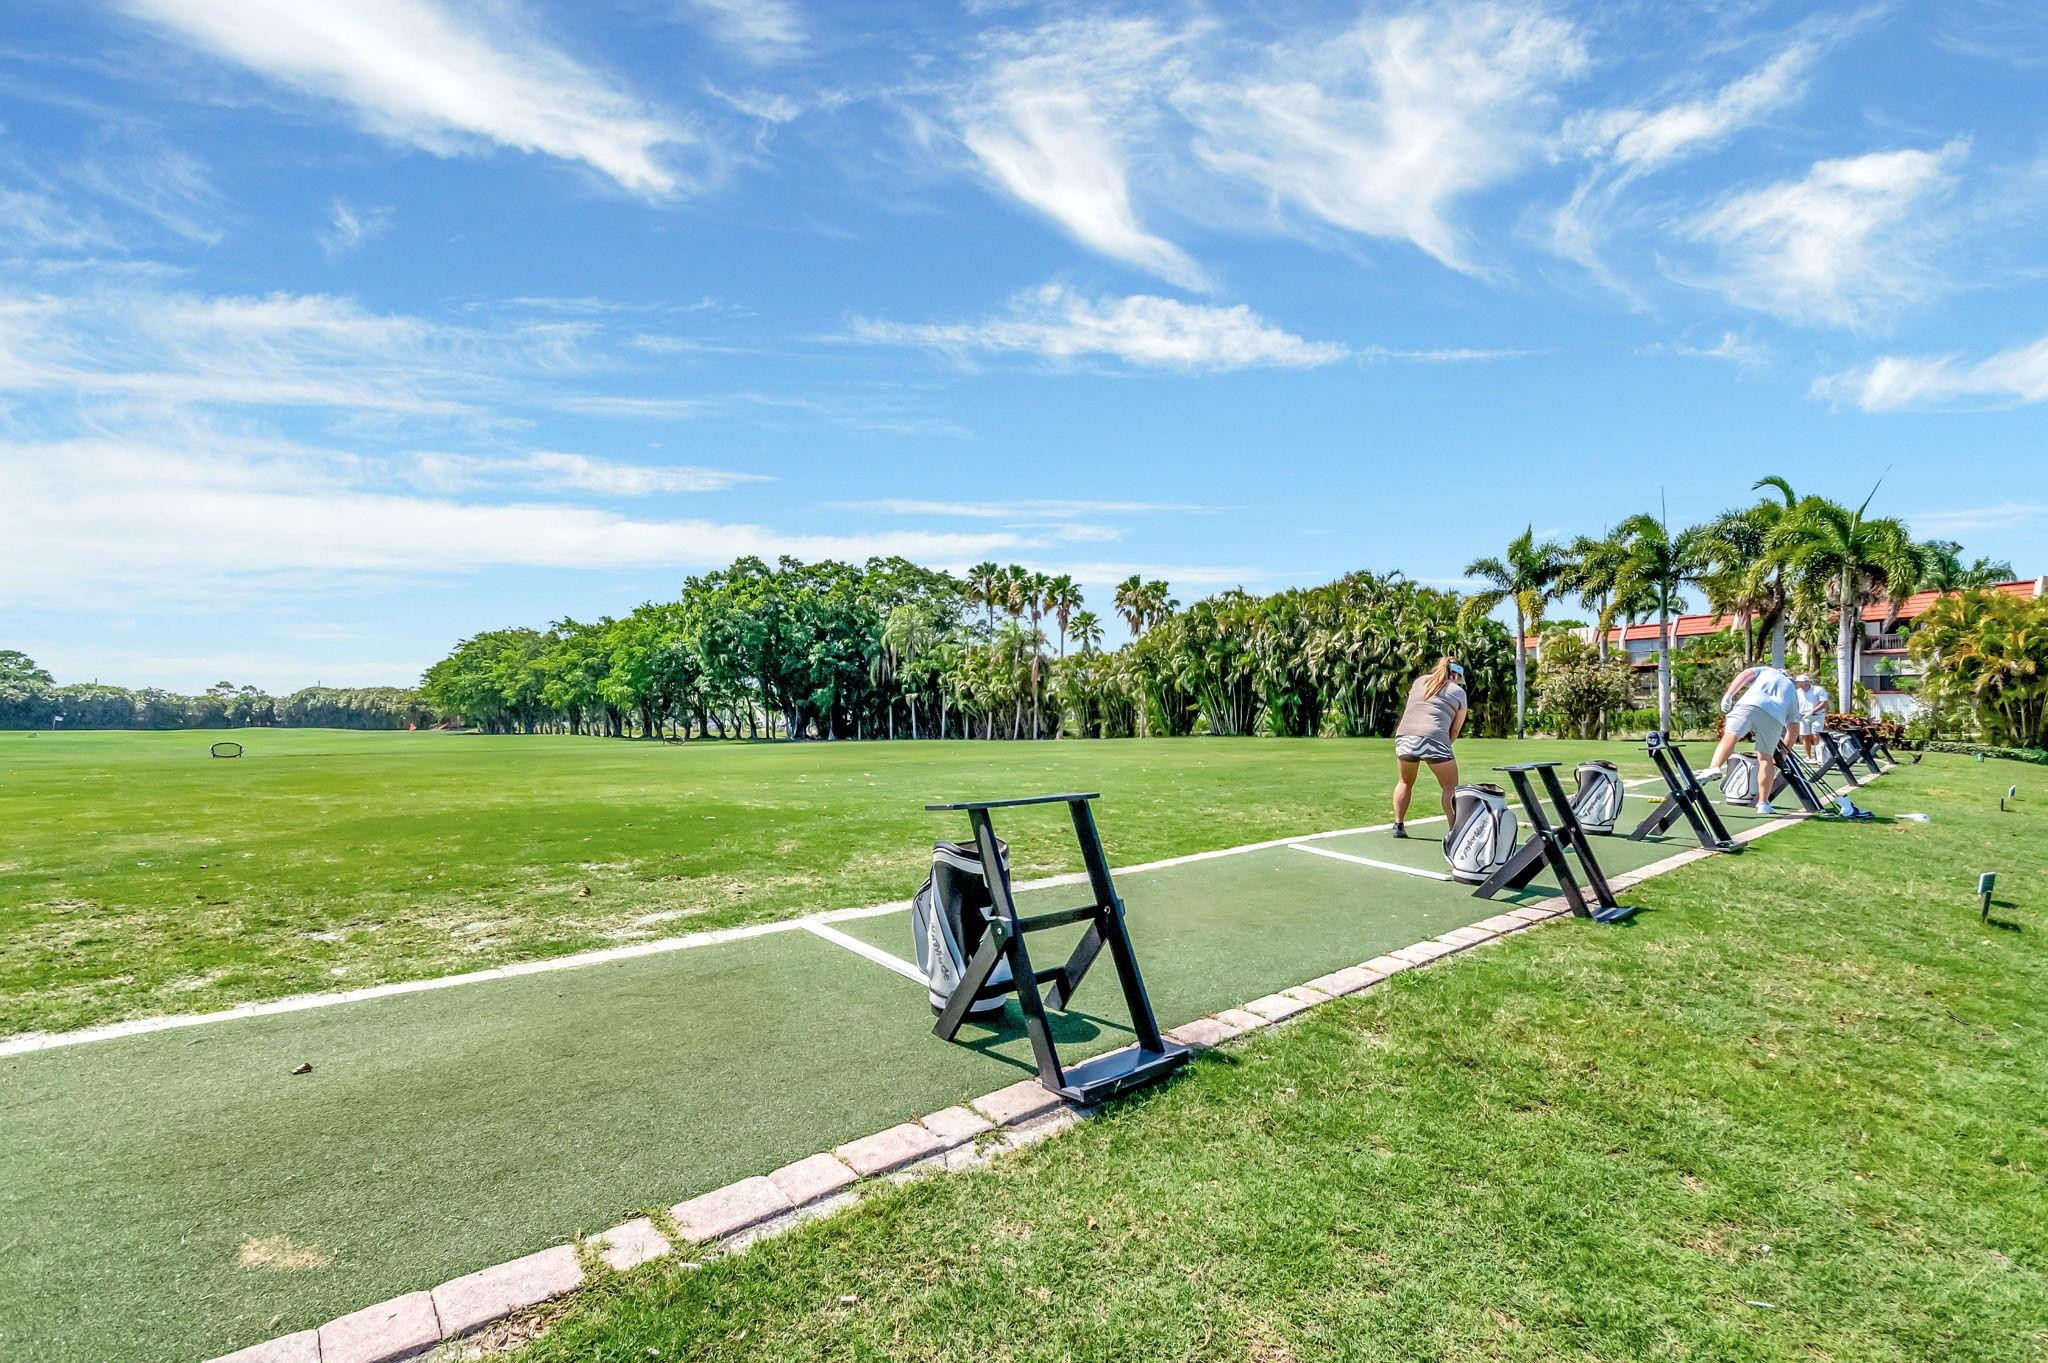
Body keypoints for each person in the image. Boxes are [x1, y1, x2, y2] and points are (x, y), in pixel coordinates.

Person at [1699, 663, 1799, 814]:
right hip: (1774, 718)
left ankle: (1714, 767)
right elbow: (1794, 728)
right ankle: (1763, 803)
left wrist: (1729, 695)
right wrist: (1783, 754)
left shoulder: (1766, 670)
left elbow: (1745, 675)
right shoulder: (1792, 691)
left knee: (1730, 737)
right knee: (1766, 758)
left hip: (1748, 705)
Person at [1391, 657, 1467, 838]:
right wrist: (1443, 747)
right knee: (1450, 786)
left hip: (1404, 737)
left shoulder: (1419, 682)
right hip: (1435, 737)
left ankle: (1398, 825)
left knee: (1405, 782)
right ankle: (1455, 832)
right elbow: (1455, 729)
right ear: (1456, 674)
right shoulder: (1459, 692)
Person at [1794, 673, 1830, 759]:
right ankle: (1808, 757)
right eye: (1798, 682)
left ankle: (1819, 756)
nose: (1799, 684)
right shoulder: (1797, 692)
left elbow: (1824, 703)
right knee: (1805, 735)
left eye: (1800, 682)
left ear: (1807, 682)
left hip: (1817, 716)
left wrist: (1812, 711)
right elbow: (1795, 704)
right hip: (1803, 717)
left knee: (1816, 735)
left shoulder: (1818, 690)